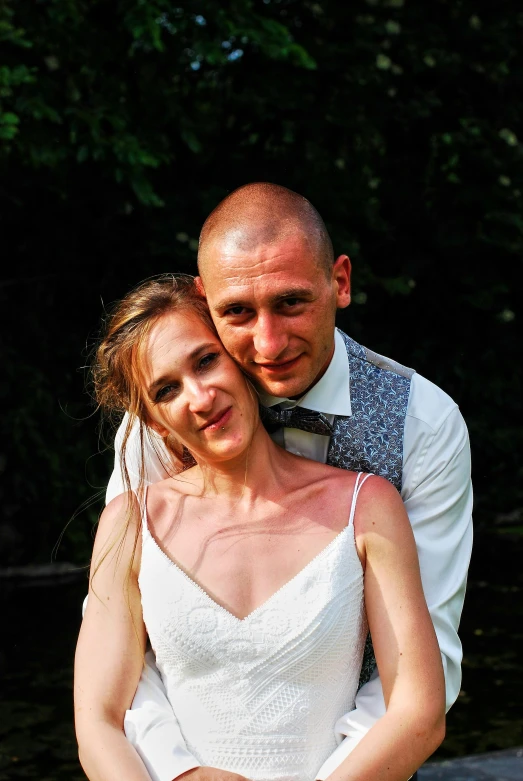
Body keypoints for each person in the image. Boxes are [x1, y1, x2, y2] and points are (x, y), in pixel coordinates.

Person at [104, 183, 473, 781]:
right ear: (204, 300)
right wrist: (177, 772)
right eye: (238, 313)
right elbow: (127, 639)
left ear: (341, 283)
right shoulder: (161, 416)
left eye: (292, 303)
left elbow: (427, 661)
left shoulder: (422, 425)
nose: (268, 344)